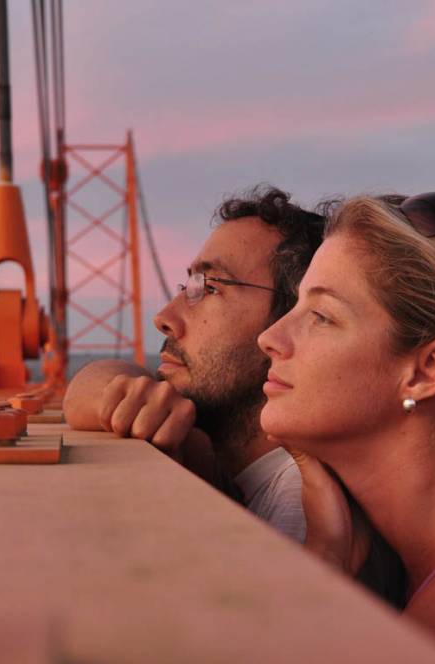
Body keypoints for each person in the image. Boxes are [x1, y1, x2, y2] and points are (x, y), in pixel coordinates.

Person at [63, 186, 324, 542]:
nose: (164, 317)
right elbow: (89, 384)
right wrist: (118, 395)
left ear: (292, 325)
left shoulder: (298, 515)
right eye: (189, 286)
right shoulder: (235, 473)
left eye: (211, 288)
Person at [257, 192, 435, 644]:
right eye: (295, 306)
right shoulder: (411, 563)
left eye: (322, 316)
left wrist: (325, 560)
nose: (269, 338)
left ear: (426, 372)